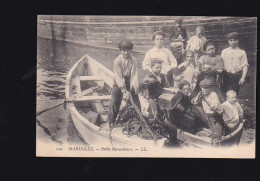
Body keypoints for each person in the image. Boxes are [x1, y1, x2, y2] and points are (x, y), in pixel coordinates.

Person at [106, 39, 141, 130]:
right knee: (115, 100)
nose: (126, 53)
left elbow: (134, 75)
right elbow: (118, 76)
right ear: (120, 51)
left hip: (130, 81)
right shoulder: (117, 61)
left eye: (128, 50)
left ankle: (138, 120)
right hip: (118, 82)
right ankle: (110, 121)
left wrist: (135, 87)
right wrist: (124, 90)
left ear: (131, 50)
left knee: (136, 101)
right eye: (124, 51)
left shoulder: (134, 60)